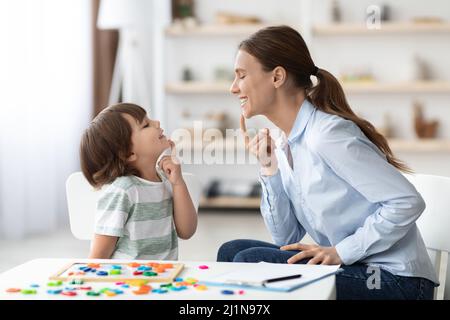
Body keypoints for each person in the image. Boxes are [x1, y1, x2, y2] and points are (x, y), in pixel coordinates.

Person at [217, 26, 438, 299]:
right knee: (232, 251)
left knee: (249, 262)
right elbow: (285, 239)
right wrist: (268, 169)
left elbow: (407, 202)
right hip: (354, 268)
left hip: (394, 280)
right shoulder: (284, 142)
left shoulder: (327, 136)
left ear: (277, 76)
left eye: (241, 76)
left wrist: (339, 252)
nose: (233, 87)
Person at [80, 103, 197, 260]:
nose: (157, 123)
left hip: (165, 279)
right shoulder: (123, 191)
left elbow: (187, 231)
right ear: (128, 153)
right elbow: (99, 255)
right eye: (146, 125)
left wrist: (178, 183)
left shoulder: (166, 179)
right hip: (129, 282)